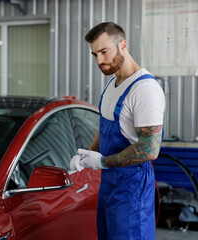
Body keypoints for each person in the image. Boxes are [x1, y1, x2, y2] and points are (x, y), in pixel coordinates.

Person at [70, 22, 165, 240]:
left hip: (132, 188)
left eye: (104, 52)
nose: (99, 60)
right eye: (94, 54)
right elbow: (105, 126)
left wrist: (102, 162)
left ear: (123, 45)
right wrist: (86, 154)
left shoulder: (144, 89)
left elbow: (150, 148)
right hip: (109, 185)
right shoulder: (112, 84)